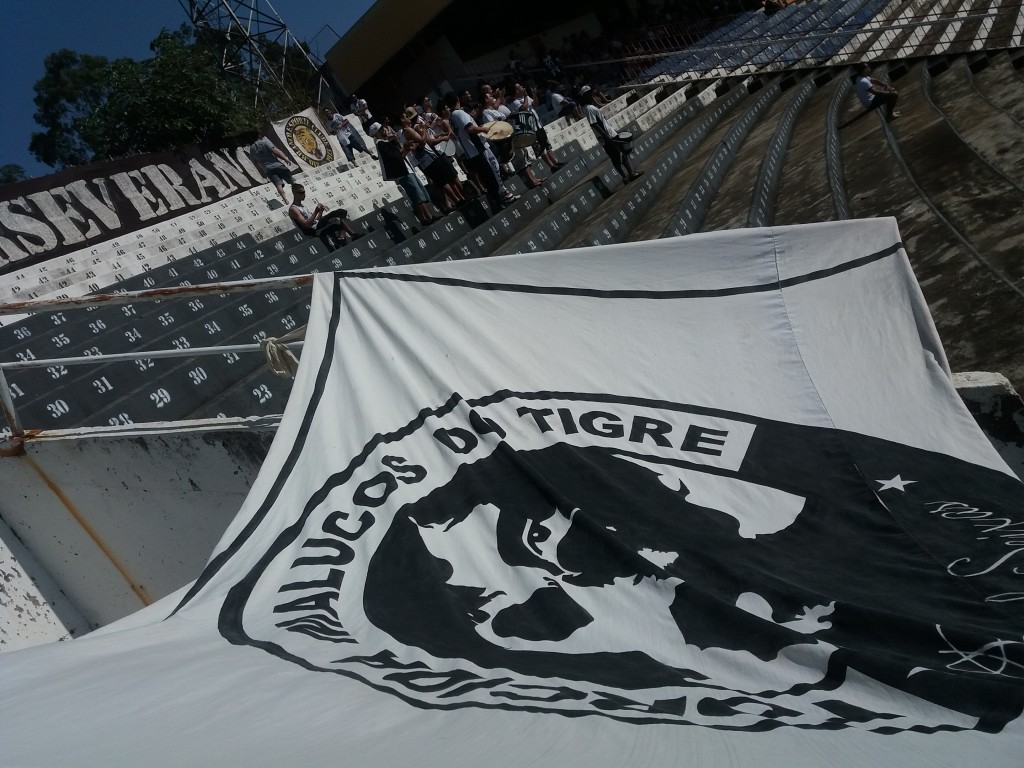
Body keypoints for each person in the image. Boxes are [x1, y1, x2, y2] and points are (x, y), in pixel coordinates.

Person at [444, 92, 519, 210]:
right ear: (458, 99)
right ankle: (503, 198)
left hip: (473, 151)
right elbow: (470, 128)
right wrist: (483, 128)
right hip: (478, 149)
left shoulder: (452, 116)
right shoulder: (458, 113)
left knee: (491, 175)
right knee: (492, 175)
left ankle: (502, 197)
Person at [368, 121, 439, 227]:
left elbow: (400, 155)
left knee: (418, 193)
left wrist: (401, 144)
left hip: (406, 169)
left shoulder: (386, 142)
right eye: (382, 129)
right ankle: (424, 217)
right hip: (402, 172)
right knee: (416, 195)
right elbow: (395, 157)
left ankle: (428, 215)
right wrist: (404, 148)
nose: (385, 130)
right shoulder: (381, 144)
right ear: (377, 132)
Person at [580, 86, 642, 184]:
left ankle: (625, 177)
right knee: (621, 154)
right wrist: (607, 136)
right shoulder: (589, 108)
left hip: (607, 135)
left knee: (615, 157)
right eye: (591, 93)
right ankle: (630, 174)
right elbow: (594, 124)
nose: (593, 94)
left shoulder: (588, 107)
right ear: (586, 95)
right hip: (607, 136)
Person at [510, 82, 566, 173]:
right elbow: (524, 108)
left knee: (547, 144)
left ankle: (556, 162)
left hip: (538, 124)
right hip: (531, 128)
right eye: (520, 86)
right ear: (516, 90)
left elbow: (535, 104)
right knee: (541, 148)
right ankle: (551, 166)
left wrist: (534, 95)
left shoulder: (526, 97)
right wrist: (525, 97)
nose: (522, 87)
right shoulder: (514, 102)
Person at [288, 183, 360, 251]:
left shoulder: (302, 206)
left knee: (341, 213)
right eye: (301, 192)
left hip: (316, 225)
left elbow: (316, 220)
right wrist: (316, 211)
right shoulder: (294, 209)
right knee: (337, 215)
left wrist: (321, 211)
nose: (304, 194)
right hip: (312, 231)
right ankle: (349, 236)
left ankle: (342, 238)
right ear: (295, 193)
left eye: (304, 192)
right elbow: (306, 225)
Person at [249, 134, 297, 204]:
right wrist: (285, 159)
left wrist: (262, 172)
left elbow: (255, 163)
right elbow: (275, 151)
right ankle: (298, 192)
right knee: (291, 180)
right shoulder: (265, 142)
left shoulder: (252, 149)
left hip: (268, 169)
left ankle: (285, 200)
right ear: (259, 136)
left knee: (278, 184)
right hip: (277, 165)